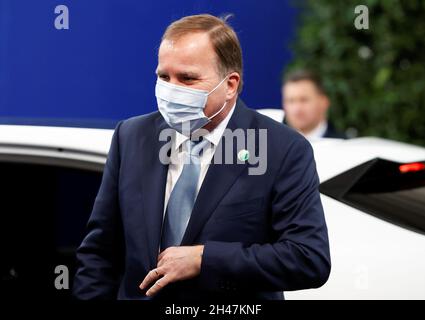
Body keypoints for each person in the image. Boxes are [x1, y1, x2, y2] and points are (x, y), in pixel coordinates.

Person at [73, 14, 330, 301]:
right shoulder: (132, 136)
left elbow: (308, 258)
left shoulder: (280, 148)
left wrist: (204, 259)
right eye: (163, 76)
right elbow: (100, 252)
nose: (171, 90)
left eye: (187, 78)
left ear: (230, 85)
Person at [282, 69, 347, 139]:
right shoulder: (273, 144)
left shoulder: (345, 145)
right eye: (291, 101)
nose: (297, 109)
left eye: (304, 100)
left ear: (324, 102)